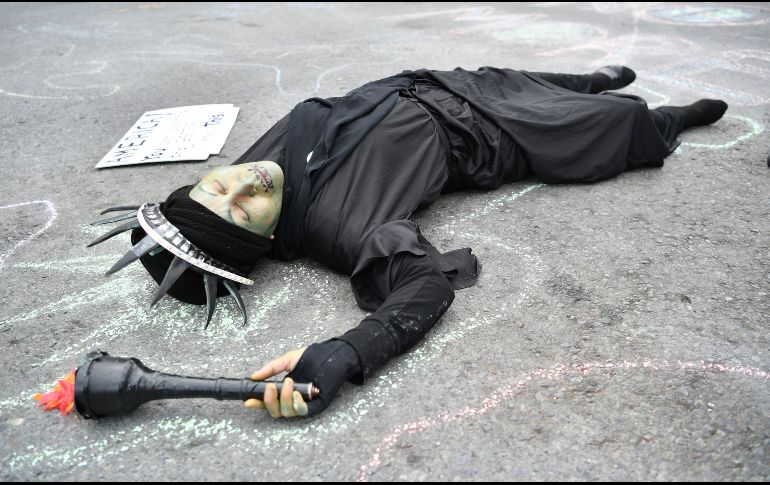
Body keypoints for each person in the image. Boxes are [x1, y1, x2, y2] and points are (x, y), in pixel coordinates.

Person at [95, 65, 728, 419]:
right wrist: (350, 350)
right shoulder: (340, 229)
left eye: (216, 187)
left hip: (435, 83)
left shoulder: (256, 165)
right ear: (259, 239)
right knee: (610, 124)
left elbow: (226, 193)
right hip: (491, 133)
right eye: (242, 209)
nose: (244, 183)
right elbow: (422, 286)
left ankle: (587, 78)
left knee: (522, 75)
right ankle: (668, 119)